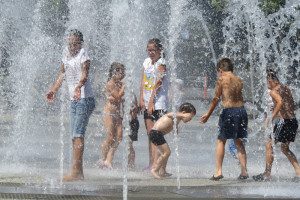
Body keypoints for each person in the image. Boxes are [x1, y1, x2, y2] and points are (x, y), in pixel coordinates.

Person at [46, 29, 95, 181]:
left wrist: (79, 87)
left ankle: (76, 172)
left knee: (78, 134)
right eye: (71, 43)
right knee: (74, 136)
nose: (73, 46)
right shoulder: (66, 53)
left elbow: (85, 74)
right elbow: (62, 74)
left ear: (81, 43)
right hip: (74, 99)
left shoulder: (83, 54)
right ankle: (77, 172)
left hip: (84, 98)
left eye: (76, 44)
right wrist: (53, 90)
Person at [200, 58, 249, 181]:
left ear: (220, 70)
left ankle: (218, 172)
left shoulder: (222, 79)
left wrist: (208, 114)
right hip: (242, 111)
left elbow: (216, 99)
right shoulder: (239, 80)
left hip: (229, 112)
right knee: (238, 141)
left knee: (221, 140)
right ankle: (244, 171)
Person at [253, 70, 300, 181]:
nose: (267, 85)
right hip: (293, 121)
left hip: (284, 122)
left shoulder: (273, 91)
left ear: (271, 81)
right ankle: (298, 172)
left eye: (267, 83)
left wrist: (271, 117)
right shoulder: (286, 88)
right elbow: (291, 104)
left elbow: (280, 102)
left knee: (269, 145)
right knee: (285, 148)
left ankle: (267, 173)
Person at [139, 38, 169, 170]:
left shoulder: (162, 63)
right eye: (149, 50)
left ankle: (158, 165)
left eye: (153, 50)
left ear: (160, 51)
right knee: (150, 134)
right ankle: (152, 163)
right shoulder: (146, 62)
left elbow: (159, 83)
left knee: (156, 134)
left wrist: (151, 101)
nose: (151, 53)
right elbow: (142, 80)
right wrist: (141, 98)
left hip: (159, 104)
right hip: (147, 103)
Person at [149, 102, 196, 179]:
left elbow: (173, 125)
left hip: (158, 134)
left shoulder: (177, 119)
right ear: (184, 113)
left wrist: (176, 130)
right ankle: (155, 170)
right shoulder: (175, 115)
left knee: (166, 153)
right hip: (155, 133)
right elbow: (169, 114)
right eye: (190, 117)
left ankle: (162, 171)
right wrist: (183, 115)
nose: (190, 120)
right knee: (167, 152)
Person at [100, 62, 125, 169]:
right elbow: (118, 96)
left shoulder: (119, 83)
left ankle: (109, 160)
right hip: (109, 113)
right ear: (114, 73)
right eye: (119, 72)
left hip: (118, 113)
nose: (122, 74)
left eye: (123, 72)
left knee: (119, 137)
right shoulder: (110, 83)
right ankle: (103, 159)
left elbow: (120, 99)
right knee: (110, 137)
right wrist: (124, 87)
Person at [128, 92, 140, 169]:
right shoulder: (129, 94)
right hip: (129, 122)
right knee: (129, 145)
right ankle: (130, 164)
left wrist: (134, 109)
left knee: (129, 145)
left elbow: (136, 109)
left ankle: (131, 164)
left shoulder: (132, 94)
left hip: (133, 123)